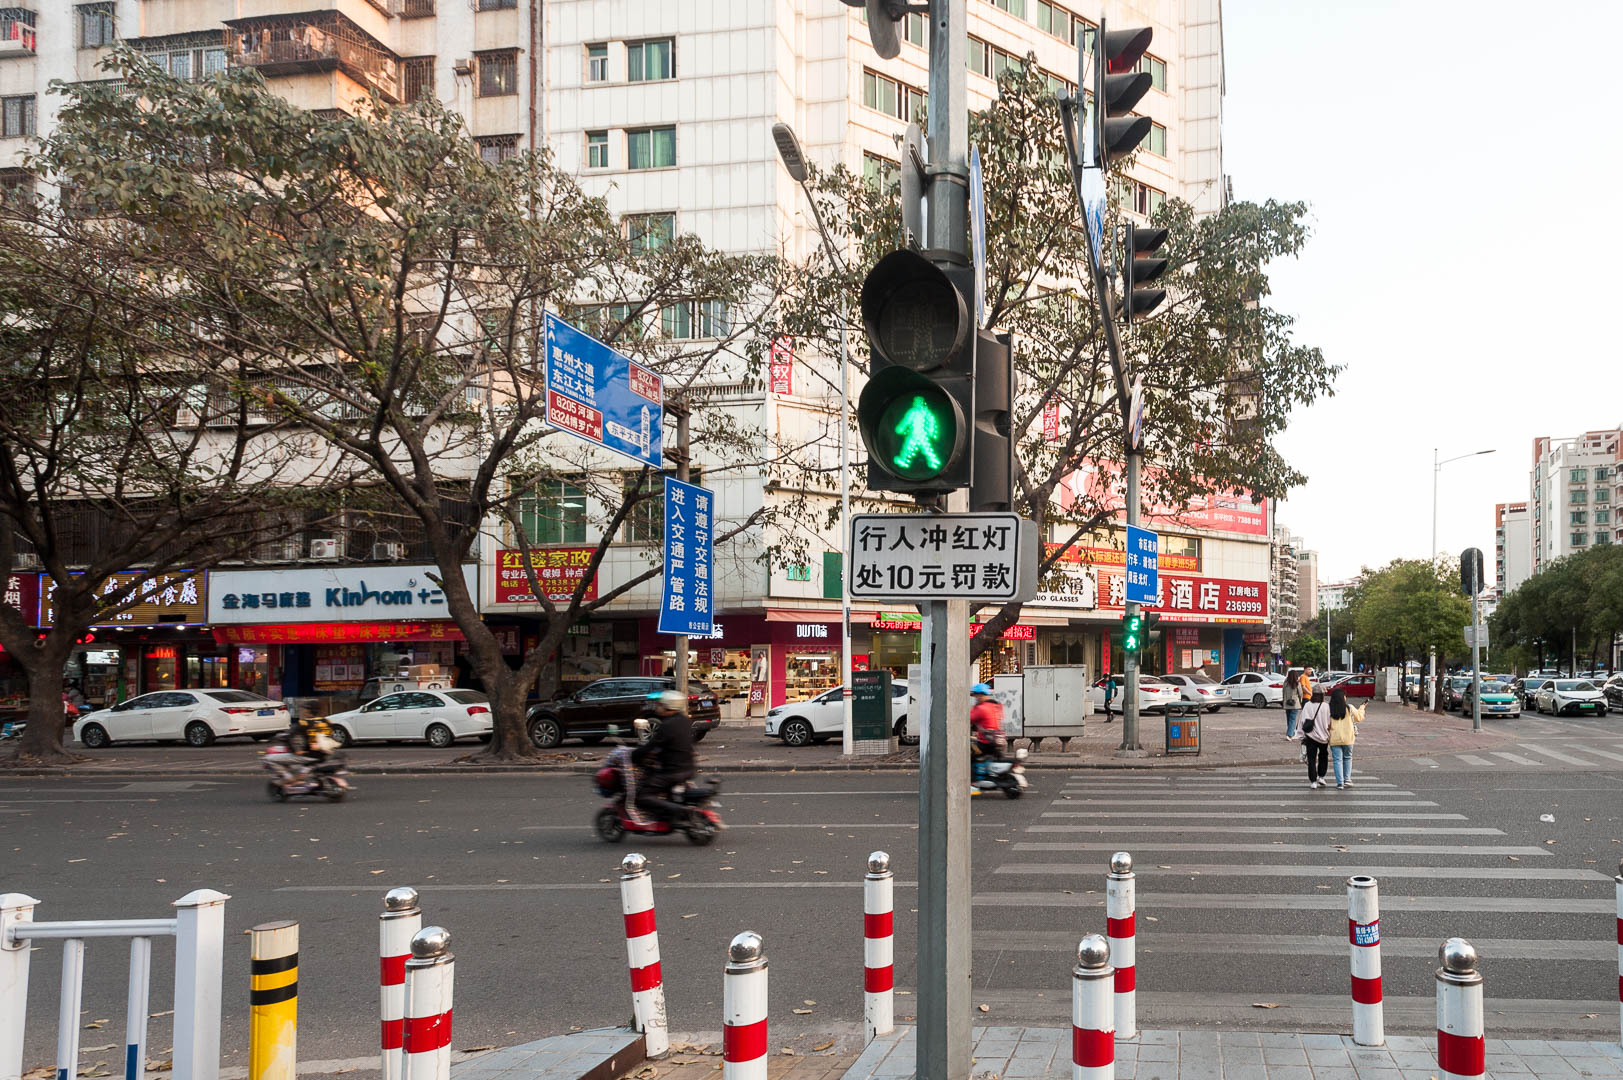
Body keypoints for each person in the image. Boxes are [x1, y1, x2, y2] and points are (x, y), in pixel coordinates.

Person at [631, 689, 696, 821]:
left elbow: (652, 745)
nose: (658, 707)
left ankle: (679, 810)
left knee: (643, 796)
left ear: (668, 707)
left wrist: (635, 754)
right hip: (688, 767)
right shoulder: (685, 720)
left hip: (673, 771)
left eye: (660, 704)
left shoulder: (667, 725)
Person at [1327, 686, 1365, 790]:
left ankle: (1340, 783)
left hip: (1334, 739)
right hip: (1348, 738)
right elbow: (1359, 717)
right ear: (1343, 697)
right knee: (1347, 758)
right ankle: (1347, 779)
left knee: (1337, 760)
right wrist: (1362, 708)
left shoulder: (1329, 709)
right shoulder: (1350, 708)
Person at [1299, 687, 1331, 789]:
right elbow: (1329, 722)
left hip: (1310, 736)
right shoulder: (1326, 706)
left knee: (1311, 759)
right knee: (1323, 756)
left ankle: (1313, 781)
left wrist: (1300, 734)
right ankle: (1321, 776)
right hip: (1324, 737)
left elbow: (1302, 720)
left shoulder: (1307, 705)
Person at [970, 683, 1006, 758]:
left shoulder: (980, 708)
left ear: (980, 695)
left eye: (976, 696)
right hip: (999, 741)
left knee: (968, 748)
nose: (976, 698)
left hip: (985, 743)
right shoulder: (997, 705)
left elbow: (968, 720)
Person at [1282, 667, 1304, 740]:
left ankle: (1292, 733)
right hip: (1295, 704)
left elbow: (1283, 692)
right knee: (1293, 719)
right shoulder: (1297, 684)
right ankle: (1289, 734)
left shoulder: (1285, 683)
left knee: (1289, 719)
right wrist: (1300, 701)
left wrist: (1284, 701)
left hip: (1287, 703)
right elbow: (1300, 694)